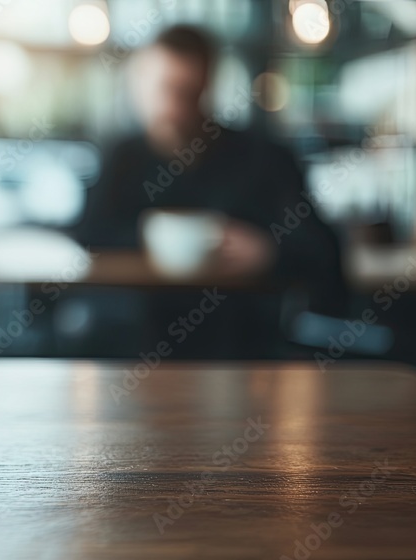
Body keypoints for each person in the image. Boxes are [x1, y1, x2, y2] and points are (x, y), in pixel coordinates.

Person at [73, 25, 347, 358]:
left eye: (184, 92)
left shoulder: (262, 158)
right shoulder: (124, 156)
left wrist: (269, 251)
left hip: (241, 346)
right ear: (138, 83)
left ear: (207, 84)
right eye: (162, 88)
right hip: (133, 346)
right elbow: (87, 233)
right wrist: (159, 239)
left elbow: (322, 248)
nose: (171, 107)